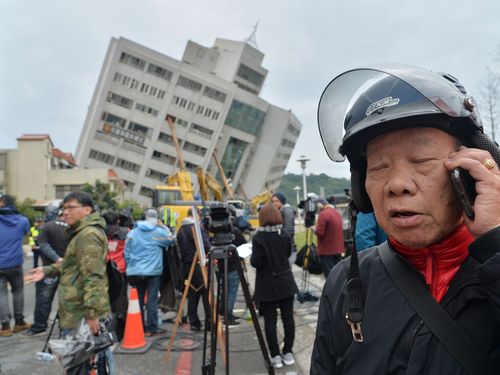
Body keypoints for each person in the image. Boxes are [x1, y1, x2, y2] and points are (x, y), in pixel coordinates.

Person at [311, 63, 500, 373]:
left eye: (421, 159)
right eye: (379, 166)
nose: (397, 184)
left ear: (468, 170)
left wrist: (495, 242)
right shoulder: (346, 282)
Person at [25, 192, 112, 374]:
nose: (65, 212)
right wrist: (47, 270)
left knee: (81, 367)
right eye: (64, 208)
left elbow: (93, 276)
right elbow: (73, 263)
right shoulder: (82, 233)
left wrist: (91, 314)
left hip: (80, 316)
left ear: (87, 210)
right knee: (90, 365)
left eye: (71, 207)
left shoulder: (88, 235)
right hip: (78, 312)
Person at [251, 204, 299, 369]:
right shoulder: (285, 235)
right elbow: (287, 254)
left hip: (267, 284)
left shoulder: (258, 238)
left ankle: (275, 356)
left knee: (270, 321)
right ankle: (288, 353)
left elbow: (256, 262)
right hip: (286, 282)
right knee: (288, 319)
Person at [124, 208, 172, 336]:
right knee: (151, 300)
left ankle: (139, 326)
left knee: (138, 300)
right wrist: (164, 227)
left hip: (135, 272)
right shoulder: (158, 232)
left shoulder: (132, 233)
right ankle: (152, 328)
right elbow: (170, 239)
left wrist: (131, 267)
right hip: (152, 272)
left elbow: (126, 253)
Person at [23, 203, 68, 336]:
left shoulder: (47, 226)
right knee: (67, 299)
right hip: (69, 268)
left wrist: (56, 258)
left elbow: (43, 245)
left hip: (49, 269)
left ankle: (39, 326)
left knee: (44, 298)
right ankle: (65, 327)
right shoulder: (72, 226)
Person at [0, 194, 31, 336]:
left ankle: (5, 327)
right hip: (16, 263)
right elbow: (25, 233)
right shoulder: (23, 220)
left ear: (2, 203)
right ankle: (19, 322)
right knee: (18, 291)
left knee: (1, 294)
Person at [176, 208, 211, 331]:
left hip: (186, 265)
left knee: (192, 294)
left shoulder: (180, 230)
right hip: (198, 264)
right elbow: (206, 246)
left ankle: (194, 322)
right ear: (197, 216)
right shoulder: (196, 228)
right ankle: (209, 322)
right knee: (206, 292)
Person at [312, 198, 345, 278]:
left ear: (319, 205)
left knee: (330, 276)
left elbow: (320, 232)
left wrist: (313, 229)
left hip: (327, 250)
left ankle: (332, 290)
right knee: (337, 274)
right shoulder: (337, 213)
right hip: (338, 249)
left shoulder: (323, 214)